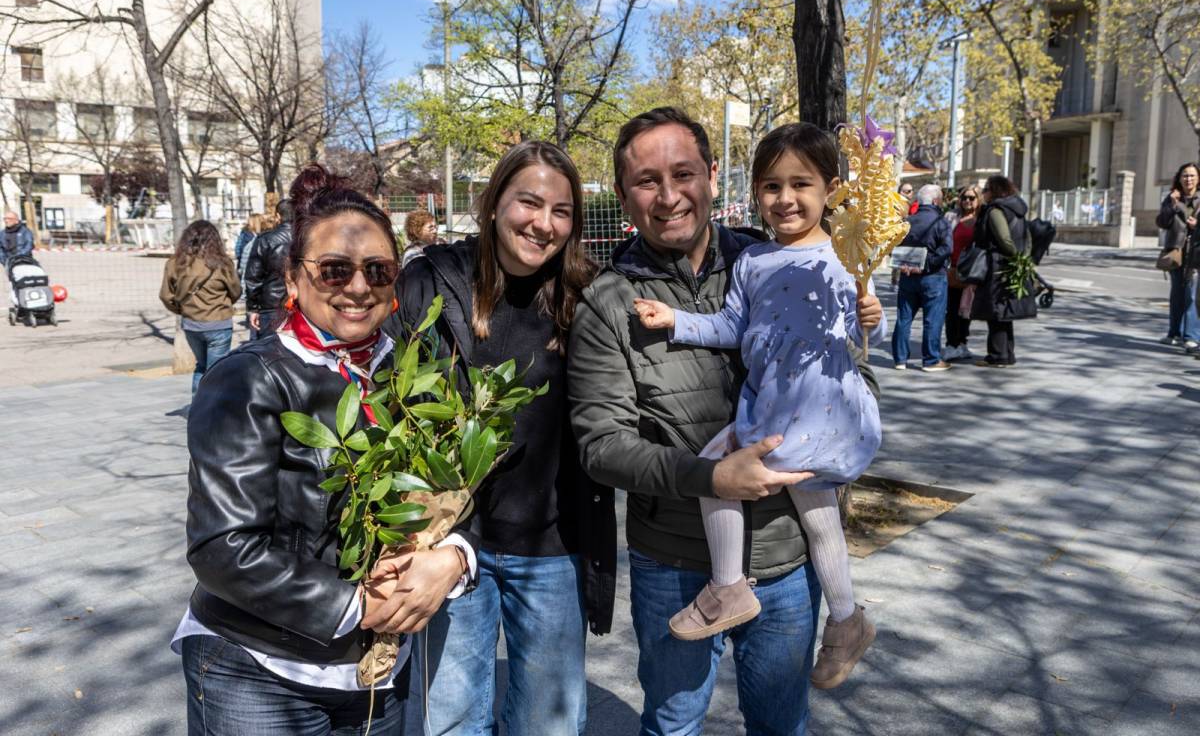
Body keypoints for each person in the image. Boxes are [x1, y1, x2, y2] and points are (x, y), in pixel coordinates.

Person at [568, 107, 882, 735]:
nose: (668, 196)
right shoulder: (609, 302)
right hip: (672, 563)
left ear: (712, 176)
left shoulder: (774, 256)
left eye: (682, 173)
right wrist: (710, 478)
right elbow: (601, 447)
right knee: (673, 723)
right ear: (624, 194)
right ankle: (731, 585)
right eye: (646, 181)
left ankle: (846, 616)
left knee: (780, 724)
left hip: (786, 557)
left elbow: (852, 372)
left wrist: (845, 383)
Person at [172, 165, 474, 735]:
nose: (358, 287)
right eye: (334, 269)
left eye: (377, 270)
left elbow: (464, 488)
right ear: (293, 278)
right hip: (259, 671)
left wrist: (453, 557)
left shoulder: (418, 373)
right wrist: (357, 604)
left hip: (374, 674)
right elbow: (221, 546)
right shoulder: (249, 379)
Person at [385, 141, 613, 736]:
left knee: (552, 724)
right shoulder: (432, 281)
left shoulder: (585, 296)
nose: (543, 223)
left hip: (552, 546)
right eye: (528, 203)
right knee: (452, 720)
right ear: (492, 204)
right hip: (451, 547)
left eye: (561, 211)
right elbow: (388, 402)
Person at [158, 220, 241, 394]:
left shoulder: (175, 263)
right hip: (219, 322)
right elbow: (236, 291)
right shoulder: (223, 263)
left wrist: (182, 310)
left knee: (201, 366)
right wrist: (223, 304)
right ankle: (212, 412)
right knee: (217, 371)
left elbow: (166, 296)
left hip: (191, 324)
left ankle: (197, 409)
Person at [971, 174, 1037, 367]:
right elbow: (1027, 237)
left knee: (996, 312)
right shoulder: (1018, 208)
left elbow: (1004, 239)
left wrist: (1014, 255)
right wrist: (1022, 258)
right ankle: (1008, 354)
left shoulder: (996, 210)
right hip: (1012, 265)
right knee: (1005, 312)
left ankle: (997, 356)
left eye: (986, 190)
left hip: (998, 265)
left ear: (995, 191)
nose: (983, 193)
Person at [891, 184, 952, 371]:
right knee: (932, 319)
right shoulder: (941, 222)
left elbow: (895, 245)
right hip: (933, 276)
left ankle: (900, 359)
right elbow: (947, 249)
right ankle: (931, 360)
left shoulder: (908, 221)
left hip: (908, 276)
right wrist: (927, 263)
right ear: (935, 201)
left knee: (904, 317)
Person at [1157, 163, 1200, 351]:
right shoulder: (1172, 197)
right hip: (1176, 253)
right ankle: (1174, 333)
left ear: (1198, 178)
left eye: (1191, 175)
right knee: (1176, 295)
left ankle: (1191, 336)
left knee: (1191, 294)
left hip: (1196, 254)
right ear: (1179, 178)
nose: (1188, 179)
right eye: (1185, 175)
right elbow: (1162, 222)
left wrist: (1197, 225)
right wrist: (1171, 205)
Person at [245, 198, 294, 338]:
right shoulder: (307, 238)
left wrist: (253, 308)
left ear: (278, 216)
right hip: (301, 304)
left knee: (271, 351)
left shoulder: (265, 239)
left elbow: (253, 277)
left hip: (271, 305)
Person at [944, 186, 980, 361]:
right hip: (953, 269)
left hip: (972, 271)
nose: (967, 201)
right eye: (964, 197)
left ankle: (962, 343)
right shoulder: (951, 217)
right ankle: (951, 344)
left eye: (972, 198)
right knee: (952, 308)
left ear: (978, 200)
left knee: (967, 310)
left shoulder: (981, 219)